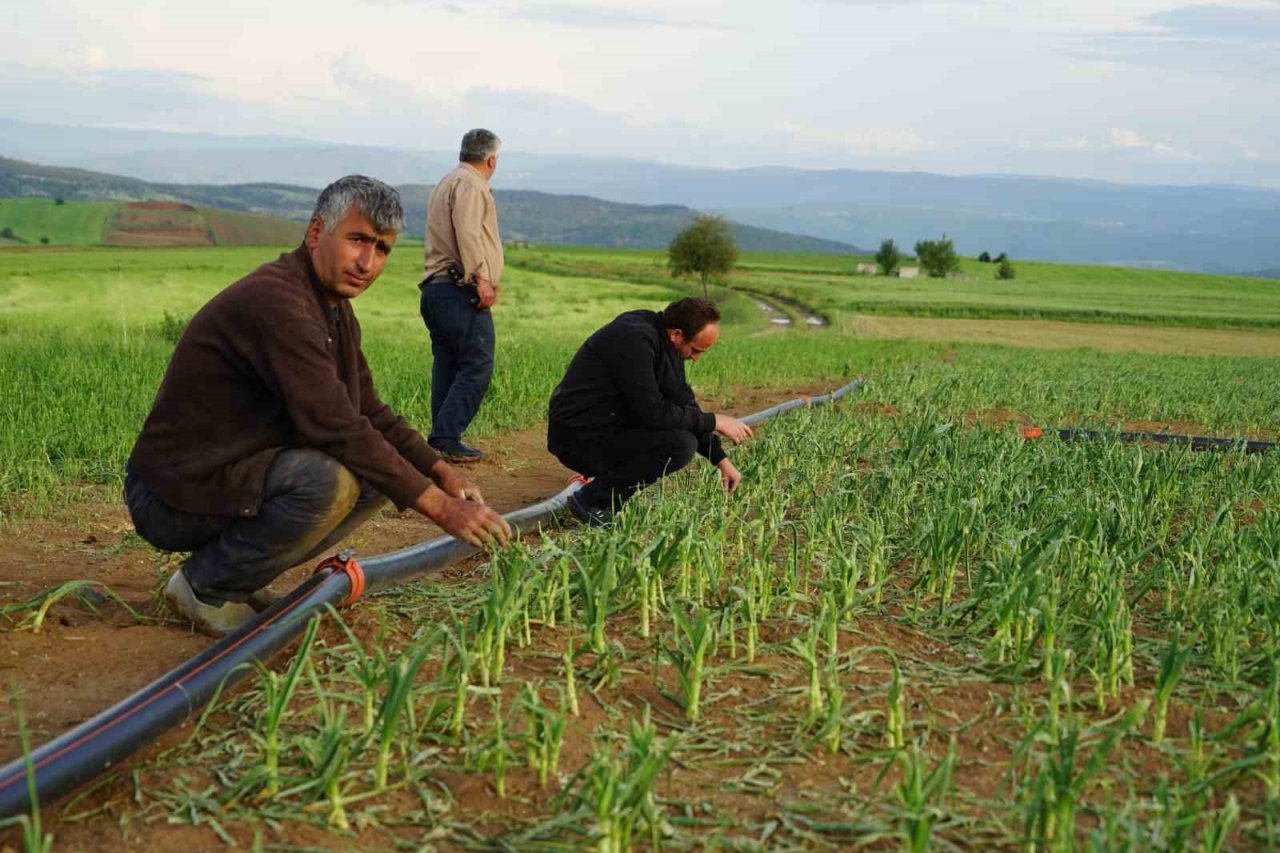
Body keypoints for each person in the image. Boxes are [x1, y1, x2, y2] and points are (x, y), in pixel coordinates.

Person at [125, 175, 511, 636]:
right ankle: (204, 585)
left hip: (229, 473)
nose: (368, 262)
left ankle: (239, 579)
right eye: (358, 240)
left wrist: (440, 472)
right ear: (315, 234)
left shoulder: (331, 309)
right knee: (325, 483)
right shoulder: (281, 304)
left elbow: (368, 411)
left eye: (383, 249)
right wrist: (443, 510)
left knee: (376, 472)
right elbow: (338, 427)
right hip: (171, 491)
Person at [547, 297, 753, 526]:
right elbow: (653, 412)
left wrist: (721, 460)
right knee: (678, 445)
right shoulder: (633, 339)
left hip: (609, 425)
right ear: (676, 334)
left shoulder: (666, 344)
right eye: (695, 350)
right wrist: (715, 421)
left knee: (682, 438)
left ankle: (604, 500)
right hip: (578, 436)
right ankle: (592, 500)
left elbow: (683, 403)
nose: (696, 358)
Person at [419, 128, 504, 463]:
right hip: (459, 289)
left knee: (449, 364)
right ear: (491, 159)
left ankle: (441, 437)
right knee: (477, 364)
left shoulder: (447, 181)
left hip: (437, 288)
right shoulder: (470, 184)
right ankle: (445, 435)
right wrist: (481, 278)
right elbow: (468, 233)